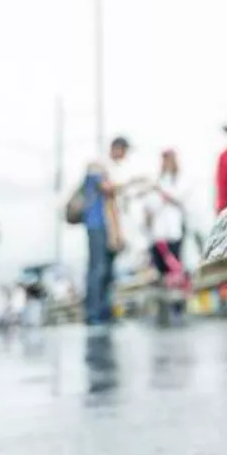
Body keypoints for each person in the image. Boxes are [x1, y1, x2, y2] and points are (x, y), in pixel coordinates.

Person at [81, 136, 150, 328]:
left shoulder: (112, 170)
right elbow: (107, 188)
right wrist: (132, 182)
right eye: (124, 151)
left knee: (108, 271)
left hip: (111, 227)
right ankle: (93, 313)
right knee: (97, 269)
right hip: (97, 224)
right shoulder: (97, 166)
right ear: (117, 148)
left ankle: (105, 311)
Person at [146, 149, 190, 281]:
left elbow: (179, 197)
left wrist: (162, 192)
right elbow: (151, 204)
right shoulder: (158, 180)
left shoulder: (180, 179)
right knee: (161, 270)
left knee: (176, 267)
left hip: (174, 233)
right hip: (159, 234)